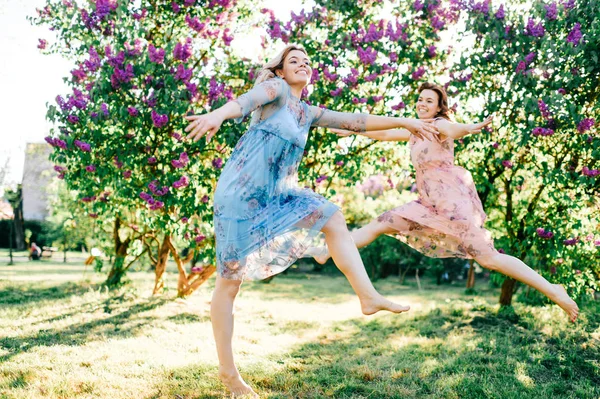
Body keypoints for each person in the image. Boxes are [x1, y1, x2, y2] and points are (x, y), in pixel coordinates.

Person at [184, 44, 438, 398]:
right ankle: (230, 378)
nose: (302, 64)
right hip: (240, 197)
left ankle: (368, 297)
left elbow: (357, 122)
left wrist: (405, 121)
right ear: (282, 70)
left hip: (278, 194)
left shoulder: (307, 112)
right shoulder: (275, 91)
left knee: (333, 217)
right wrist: (218, 115)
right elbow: (244, 101)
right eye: (293, 60)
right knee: (229, 284)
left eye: (307, 61)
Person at [312, 82, 579, 323]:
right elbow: (383, 135)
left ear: (440, 107)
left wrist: (467, 128)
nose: (422, 103)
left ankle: (553, 291)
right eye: (420, 99)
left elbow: (453, 129)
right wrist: (354, 132)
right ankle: (330, 250)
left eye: (429, 100)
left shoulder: (439, 126)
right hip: (426, 205)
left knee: (490, 259)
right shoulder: (416, 131)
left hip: (452, 207)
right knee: (381, 223)